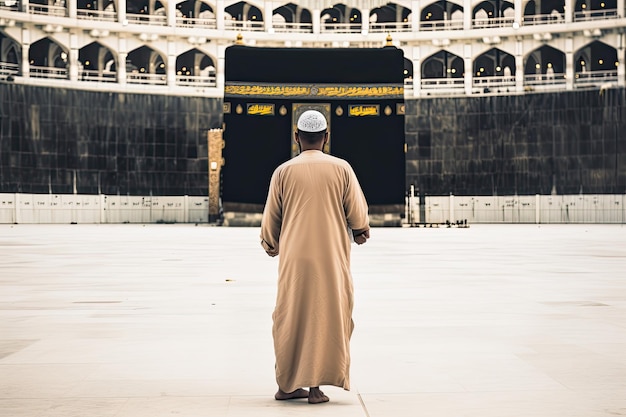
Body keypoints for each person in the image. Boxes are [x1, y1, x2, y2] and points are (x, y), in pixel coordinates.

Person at [260, 110, 370, 404]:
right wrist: (360, 230)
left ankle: (287, 385)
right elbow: (357, 212)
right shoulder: (342, 168)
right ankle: (316, 388)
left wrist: (271, 245)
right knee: (326, 316)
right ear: (326, 137)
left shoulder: (283, 171)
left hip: (294, 258)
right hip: (331, 257)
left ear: (296, 137)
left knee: (290, 316)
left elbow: (271, 218)